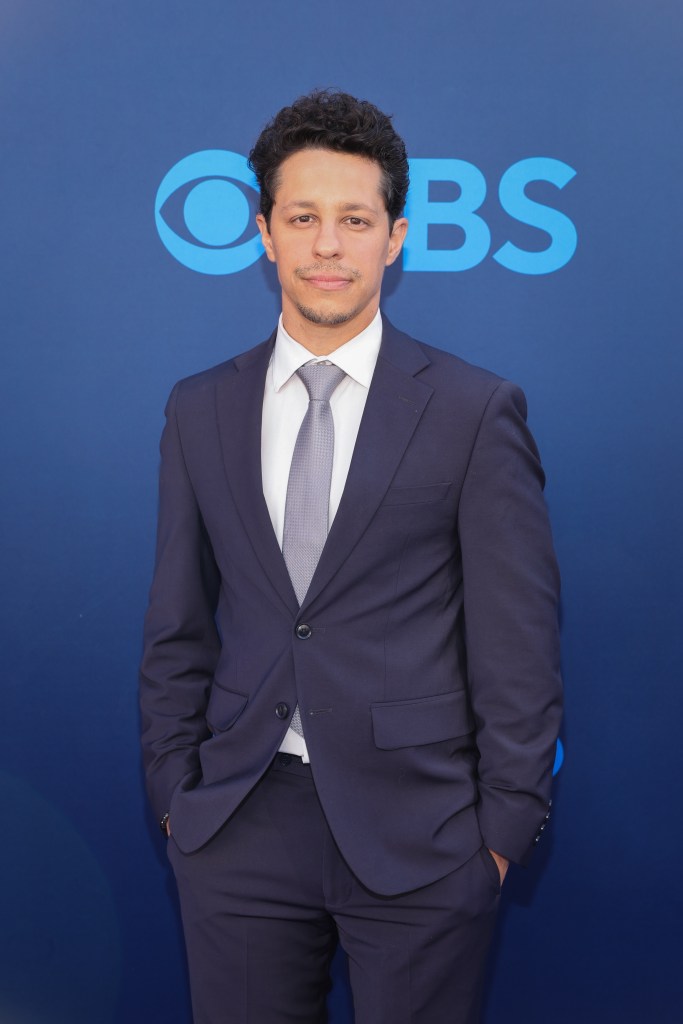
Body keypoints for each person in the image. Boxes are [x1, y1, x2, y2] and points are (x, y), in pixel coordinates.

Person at [140, 89, 562, 1024]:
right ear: (263, 234)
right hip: (238, 824)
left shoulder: (472, 410)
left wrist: (498, 833)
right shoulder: (199, 408)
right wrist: (176, 796)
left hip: (423, 835)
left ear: (395, 238)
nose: (327, 245)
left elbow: (518, 643)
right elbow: (177, 622)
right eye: (303, 218)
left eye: (354, 220)